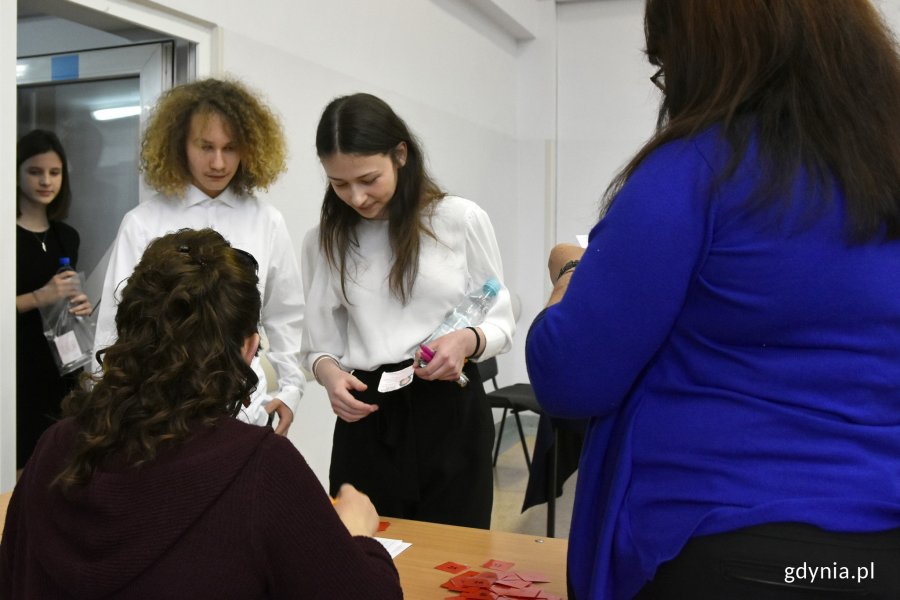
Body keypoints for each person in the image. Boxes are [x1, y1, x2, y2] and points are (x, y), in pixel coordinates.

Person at [526, 1, 900, 598]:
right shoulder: (882, 169)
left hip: (726, 540)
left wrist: (569, 273)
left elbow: (571, 376)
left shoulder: (697, 166)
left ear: (715, 52)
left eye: (667, 63)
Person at [0, 228, 403, 599]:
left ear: (128, 332)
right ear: (249, 349)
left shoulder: (56, 446)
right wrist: (357, 538)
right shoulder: (259, 466)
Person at [302, 93, 515, 528]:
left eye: (368, 178)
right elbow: (317, 346)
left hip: (450, 409)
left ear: (400, 154)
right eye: (340, 184)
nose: (357, 197)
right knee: (361, 555)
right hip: (368, 416)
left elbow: (501, 320)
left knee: (454, 562)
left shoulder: (459, 219)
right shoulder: (324, 239)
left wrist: (468, 340)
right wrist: (328, 376)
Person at [93, 77, 303, 434]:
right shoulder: (143, 223)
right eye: (205, 146)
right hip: (159, 410)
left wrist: (291, 391)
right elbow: (115, 325)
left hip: (247, 409)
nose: (218, 162)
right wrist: (108, 403)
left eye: (230, 147)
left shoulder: (267, 221)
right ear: (179, 145)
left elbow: (285, 317)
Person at [15, 129, 92, 470]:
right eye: (35, 172)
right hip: (16, 366)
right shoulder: (6, 234)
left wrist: (81, 306)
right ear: (15, 173)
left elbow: (66, 298)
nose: (46, 181)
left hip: (62, 365)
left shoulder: (67, 236)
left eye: (54, 172)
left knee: (59, 463)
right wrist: (39, 297)